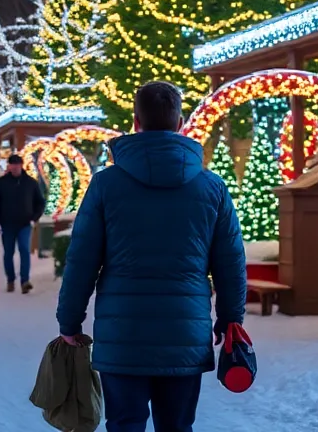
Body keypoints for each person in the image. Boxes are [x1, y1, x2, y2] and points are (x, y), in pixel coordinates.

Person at [56, 82, 247, 432]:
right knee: (176, 426)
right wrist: (231, 316)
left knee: (125, 423)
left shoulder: (105, 185)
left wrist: (69, 322)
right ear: (181, 122)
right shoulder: (212, 187)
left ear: (135, 121)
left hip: (122, 333)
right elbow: (230, 259)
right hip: (185, 331)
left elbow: (81, 259)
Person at [0, 153, 45, 294]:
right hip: (7, 223)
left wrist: (34, 217)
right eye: (12, 165)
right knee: (8, 252)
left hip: (25, 223)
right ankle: (10, 280)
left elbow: (40, 202)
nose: (14, 167)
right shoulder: (1, 183)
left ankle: (25, 281)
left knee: (24, 251)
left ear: (21, 165)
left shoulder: (30, 183)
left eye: (17, 164)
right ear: (9, 166)